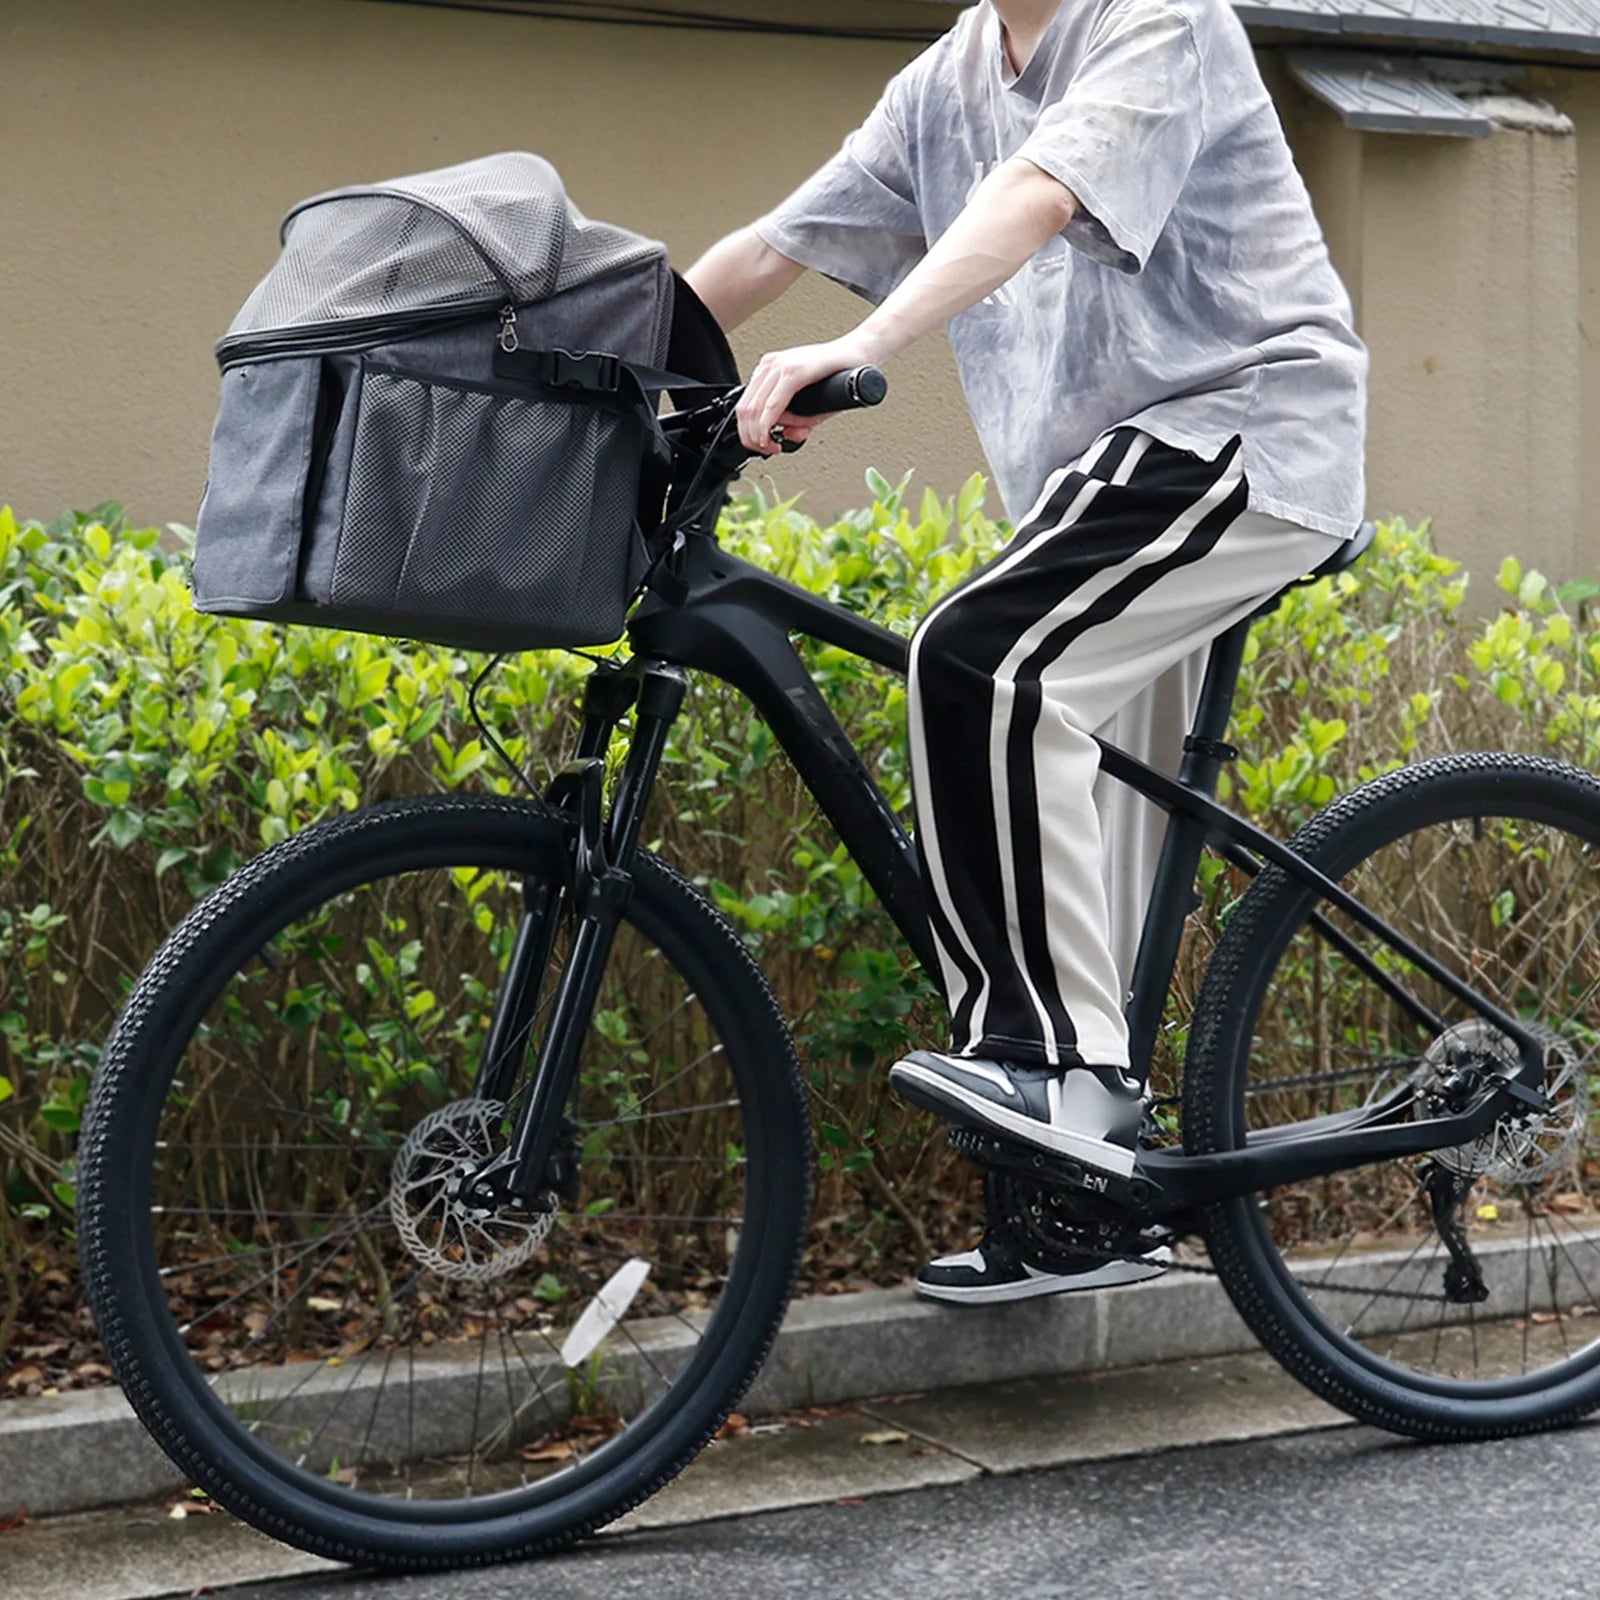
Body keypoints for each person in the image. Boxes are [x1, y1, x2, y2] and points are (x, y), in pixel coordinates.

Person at [685, 0, 1367, 1304]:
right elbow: (769, 249)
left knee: (981, 660)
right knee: (1059, 824)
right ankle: (1089, 1214)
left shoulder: (1159, 20)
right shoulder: (945, 81)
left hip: (1242, 431)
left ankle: (1069, 1074)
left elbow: (1044, 193)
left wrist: (865, 344)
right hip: (1096, 491)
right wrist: (588, 363)